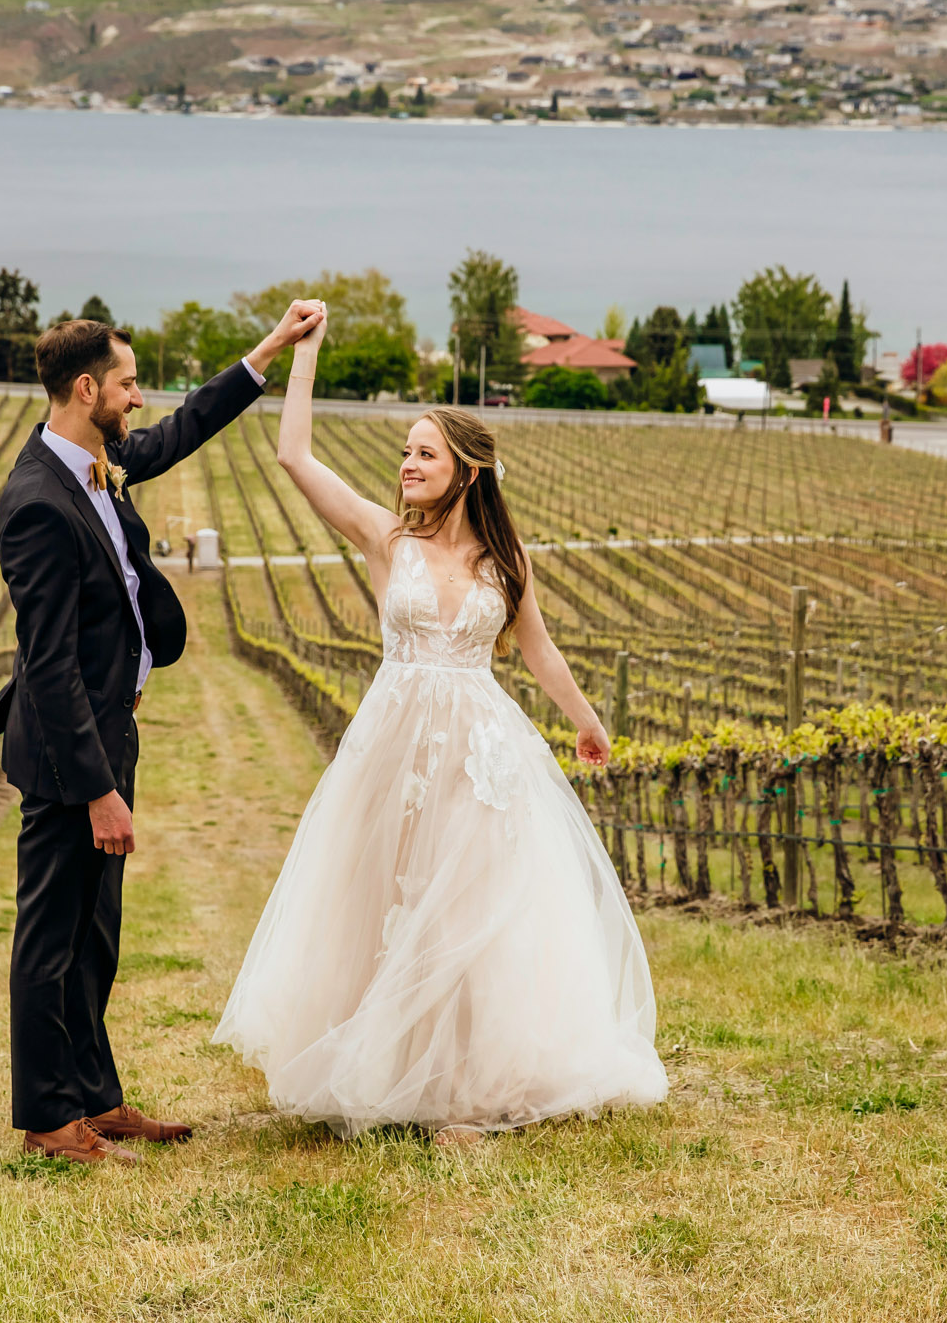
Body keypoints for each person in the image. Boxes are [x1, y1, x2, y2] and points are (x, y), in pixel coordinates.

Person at [212, 304, 668, 1145]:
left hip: (481, 747)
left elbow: (540, 653)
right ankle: (380, 1071)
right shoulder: (388, 539)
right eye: (405, 452)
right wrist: (304, 354)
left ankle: (460, 1089)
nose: (407, 465)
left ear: (467, 468)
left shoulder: (507, 562)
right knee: (385, 895)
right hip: (395, 742)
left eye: (424, 452)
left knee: (466, 909)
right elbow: (293, 455)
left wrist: (588, 720)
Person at [0, 302, 322, 1165]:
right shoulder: (37, 503)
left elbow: (179, 434)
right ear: (85, 388)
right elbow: (49, 668)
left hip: (110, 730)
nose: (139, 399)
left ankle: (96, 1097)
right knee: (49, 938)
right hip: (68, 752)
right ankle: (47, 1119)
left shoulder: (95, 460)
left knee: (95, 934)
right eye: (128, 384)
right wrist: (98, 789)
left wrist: (268, 350)